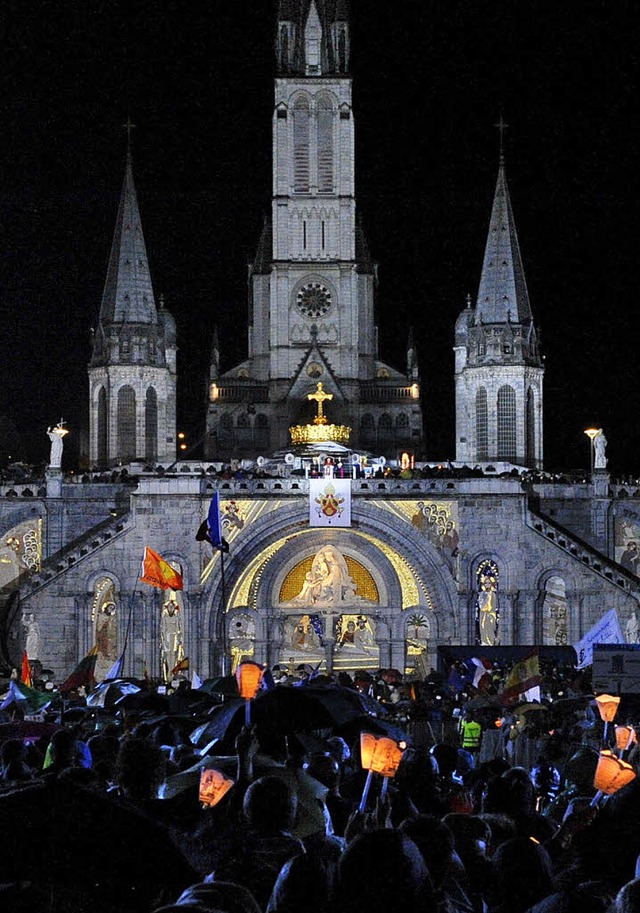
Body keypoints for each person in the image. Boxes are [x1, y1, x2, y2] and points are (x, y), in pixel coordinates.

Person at [160, 598, 184, 681]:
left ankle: (172, 671)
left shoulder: (176, 617)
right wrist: (164, 640)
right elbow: (163, 629)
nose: (171, 608)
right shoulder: (165, 617)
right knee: (167, 655)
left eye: (172, 607)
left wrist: (179, 638)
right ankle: (168, 672)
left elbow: (178, 628)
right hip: (167, 637)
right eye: (169, 607)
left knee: (174, 654)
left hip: (174, 637)